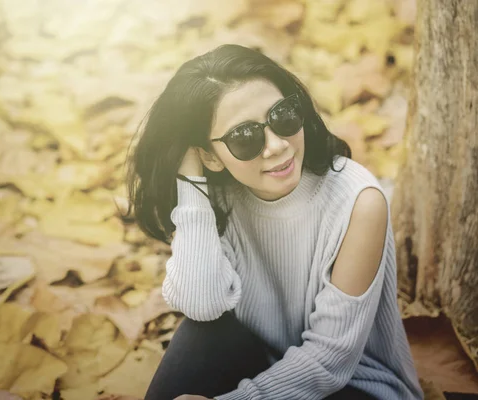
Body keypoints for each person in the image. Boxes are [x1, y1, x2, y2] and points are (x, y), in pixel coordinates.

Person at [123, 44, 424, 400]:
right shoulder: (218, 198)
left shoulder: (358, 202)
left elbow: (330, 361)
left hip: (354, 387)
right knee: (200, 334)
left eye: (283, 116)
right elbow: (201, 304)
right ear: (210, 156)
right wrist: (192, 183)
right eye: (245, 137)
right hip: (259, 366)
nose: (277, 145)